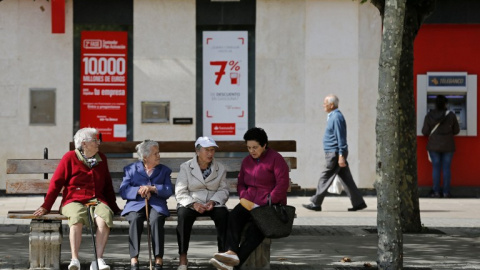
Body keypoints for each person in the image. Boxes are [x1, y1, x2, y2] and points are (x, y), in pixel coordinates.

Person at [33, 128, 121, 270]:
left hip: (96, 199)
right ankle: (75, 260)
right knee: (76, 217)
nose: (98, 142)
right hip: (73, 199)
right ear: (84, 144)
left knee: (104, 218)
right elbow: (56, 183)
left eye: (98, 140)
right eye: (95, 140)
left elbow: (107, 186)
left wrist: (114, 208)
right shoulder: (69, 157)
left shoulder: (101, 158)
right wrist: (46, 206)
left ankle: (98, 260)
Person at [209, 127, 290, 270]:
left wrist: (267, 200)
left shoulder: (276, 159)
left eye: (255, 147)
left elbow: (282, 184)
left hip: (268, 206)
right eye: (249, 148)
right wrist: (244, 196)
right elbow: (241, 183)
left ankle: (232, 265)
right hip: (249, 203)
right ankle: (231, 252)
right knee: (233, 217)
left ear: (264, 145)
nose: (252, 151)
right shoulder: (247, 161)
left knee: (256, 231)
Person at [303, 94, 367, 212]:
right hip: (334, 153)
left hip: (334, 153)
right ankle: (358, 202)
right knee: (346, 178)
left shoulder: (336, 117)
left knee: (325, 177)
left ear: (331, 105)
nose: (323, 105)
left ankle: (316, 203)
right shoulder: (333, 116)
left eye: (325, 103)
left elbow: (341, 137)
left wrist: (341, 155)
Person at [175, 136, 230, 270]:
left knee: (223, 215)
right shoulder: (186, 167)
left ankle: (222, 256)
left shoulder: (220, 168)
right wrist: (193, 204)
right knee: (183, 215)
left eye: (212, 150)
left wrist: (214, 201)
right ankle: (183, 258)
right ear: (197, 151)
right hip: (191, 202)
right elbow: (180, 192)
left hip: (213, 202)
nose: (210, 153)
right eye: (207, 150)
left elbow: (223, 190)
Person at [119, 140, 173, 270]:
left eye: (158, 152)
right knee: (135, 219)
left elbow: (168, 190)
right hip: (136, 204)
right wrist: (139, 190)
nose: (159, 155)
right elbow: (123, 190)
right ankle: (134, 259)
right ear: (145, 157)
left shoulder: (164, 170)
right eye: (155, 153)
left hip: (156, 204)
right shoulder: (131, 169)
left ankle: (158, 260)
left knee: (156, 219)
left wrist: (153, 189)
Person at [422, 95, 460, 198]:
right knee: (447, 168)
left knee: (436, 168)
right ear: (445, 104)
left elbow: (424, 131)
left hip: (434, 146)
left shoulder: (429, 115)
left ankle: (436, 192)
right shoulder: (451, 115)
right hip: (448, 146)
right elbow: (456, 131)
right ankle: (446, 192)